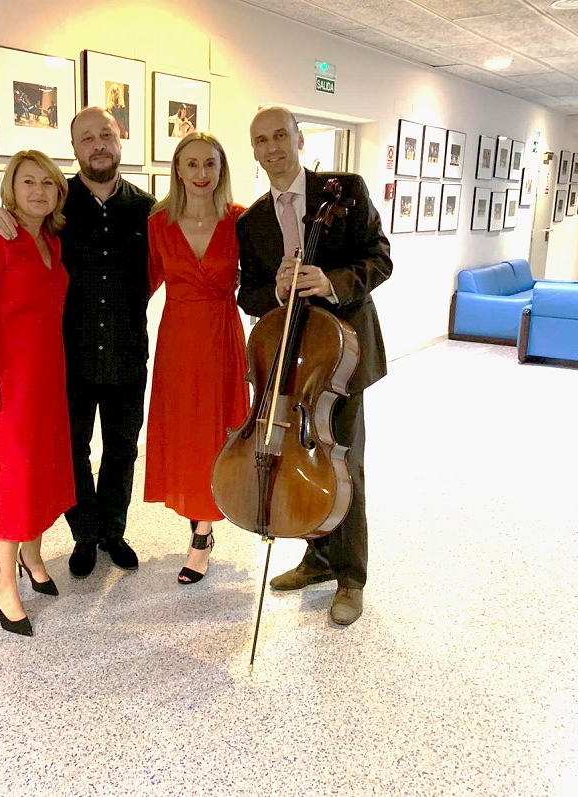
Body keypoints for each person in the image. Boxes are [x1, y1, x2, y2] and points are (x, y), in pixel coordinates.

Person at [0, 106, 155, 579]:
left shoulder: (147, 208)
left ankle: (114, 530)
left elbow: (156, 272)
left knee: (123, 448)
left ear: (119, 140)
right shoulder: (57, 201)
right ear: (74, 149)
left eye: (105, 135)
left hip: (129, 352)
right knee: (73, 449)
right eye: (86, 138)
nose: (97, 145)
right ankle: (85, 535)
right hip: (67, 359)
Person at [236, 106, 393, 626]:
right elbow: (250, 292)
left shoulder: (344, 190)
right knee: (301, 459)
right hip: (292, 356)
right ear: (254, 151)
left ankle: (351, 577)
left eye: (281, 135)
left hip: (341, 355)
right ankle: (318, 559)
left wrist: (330, 282)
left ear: (298, 139)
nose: (273, 147)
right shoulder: (252, 220)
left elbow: (380, 258)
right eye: (262, 140)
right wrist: (277, 290)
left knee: (344, 464)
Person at [0, 150, 74, 637]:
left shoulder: (51, 241)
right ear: (11, 189)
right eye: (28, 183)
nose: (38, 192)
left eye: (47, 183)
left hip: (48, 375)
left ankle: (32, 554)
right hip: (9, 379)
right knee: (14, 476)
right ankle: (5, 582)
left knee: (40, 469)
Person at [145, 132, 248, 584]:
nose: (202, 174)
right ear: (178, 170)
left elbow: (268, 280)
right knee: (187, 433)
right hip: (179, 340)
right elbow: (142, 283)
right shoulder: (158, 223)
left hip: (223, 336)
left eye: (210, 164)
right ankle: (197, 515)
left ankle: (202, 534)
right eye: (192, 165)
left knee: (218, 430)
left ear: (221, 168)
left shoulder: (241, 220)